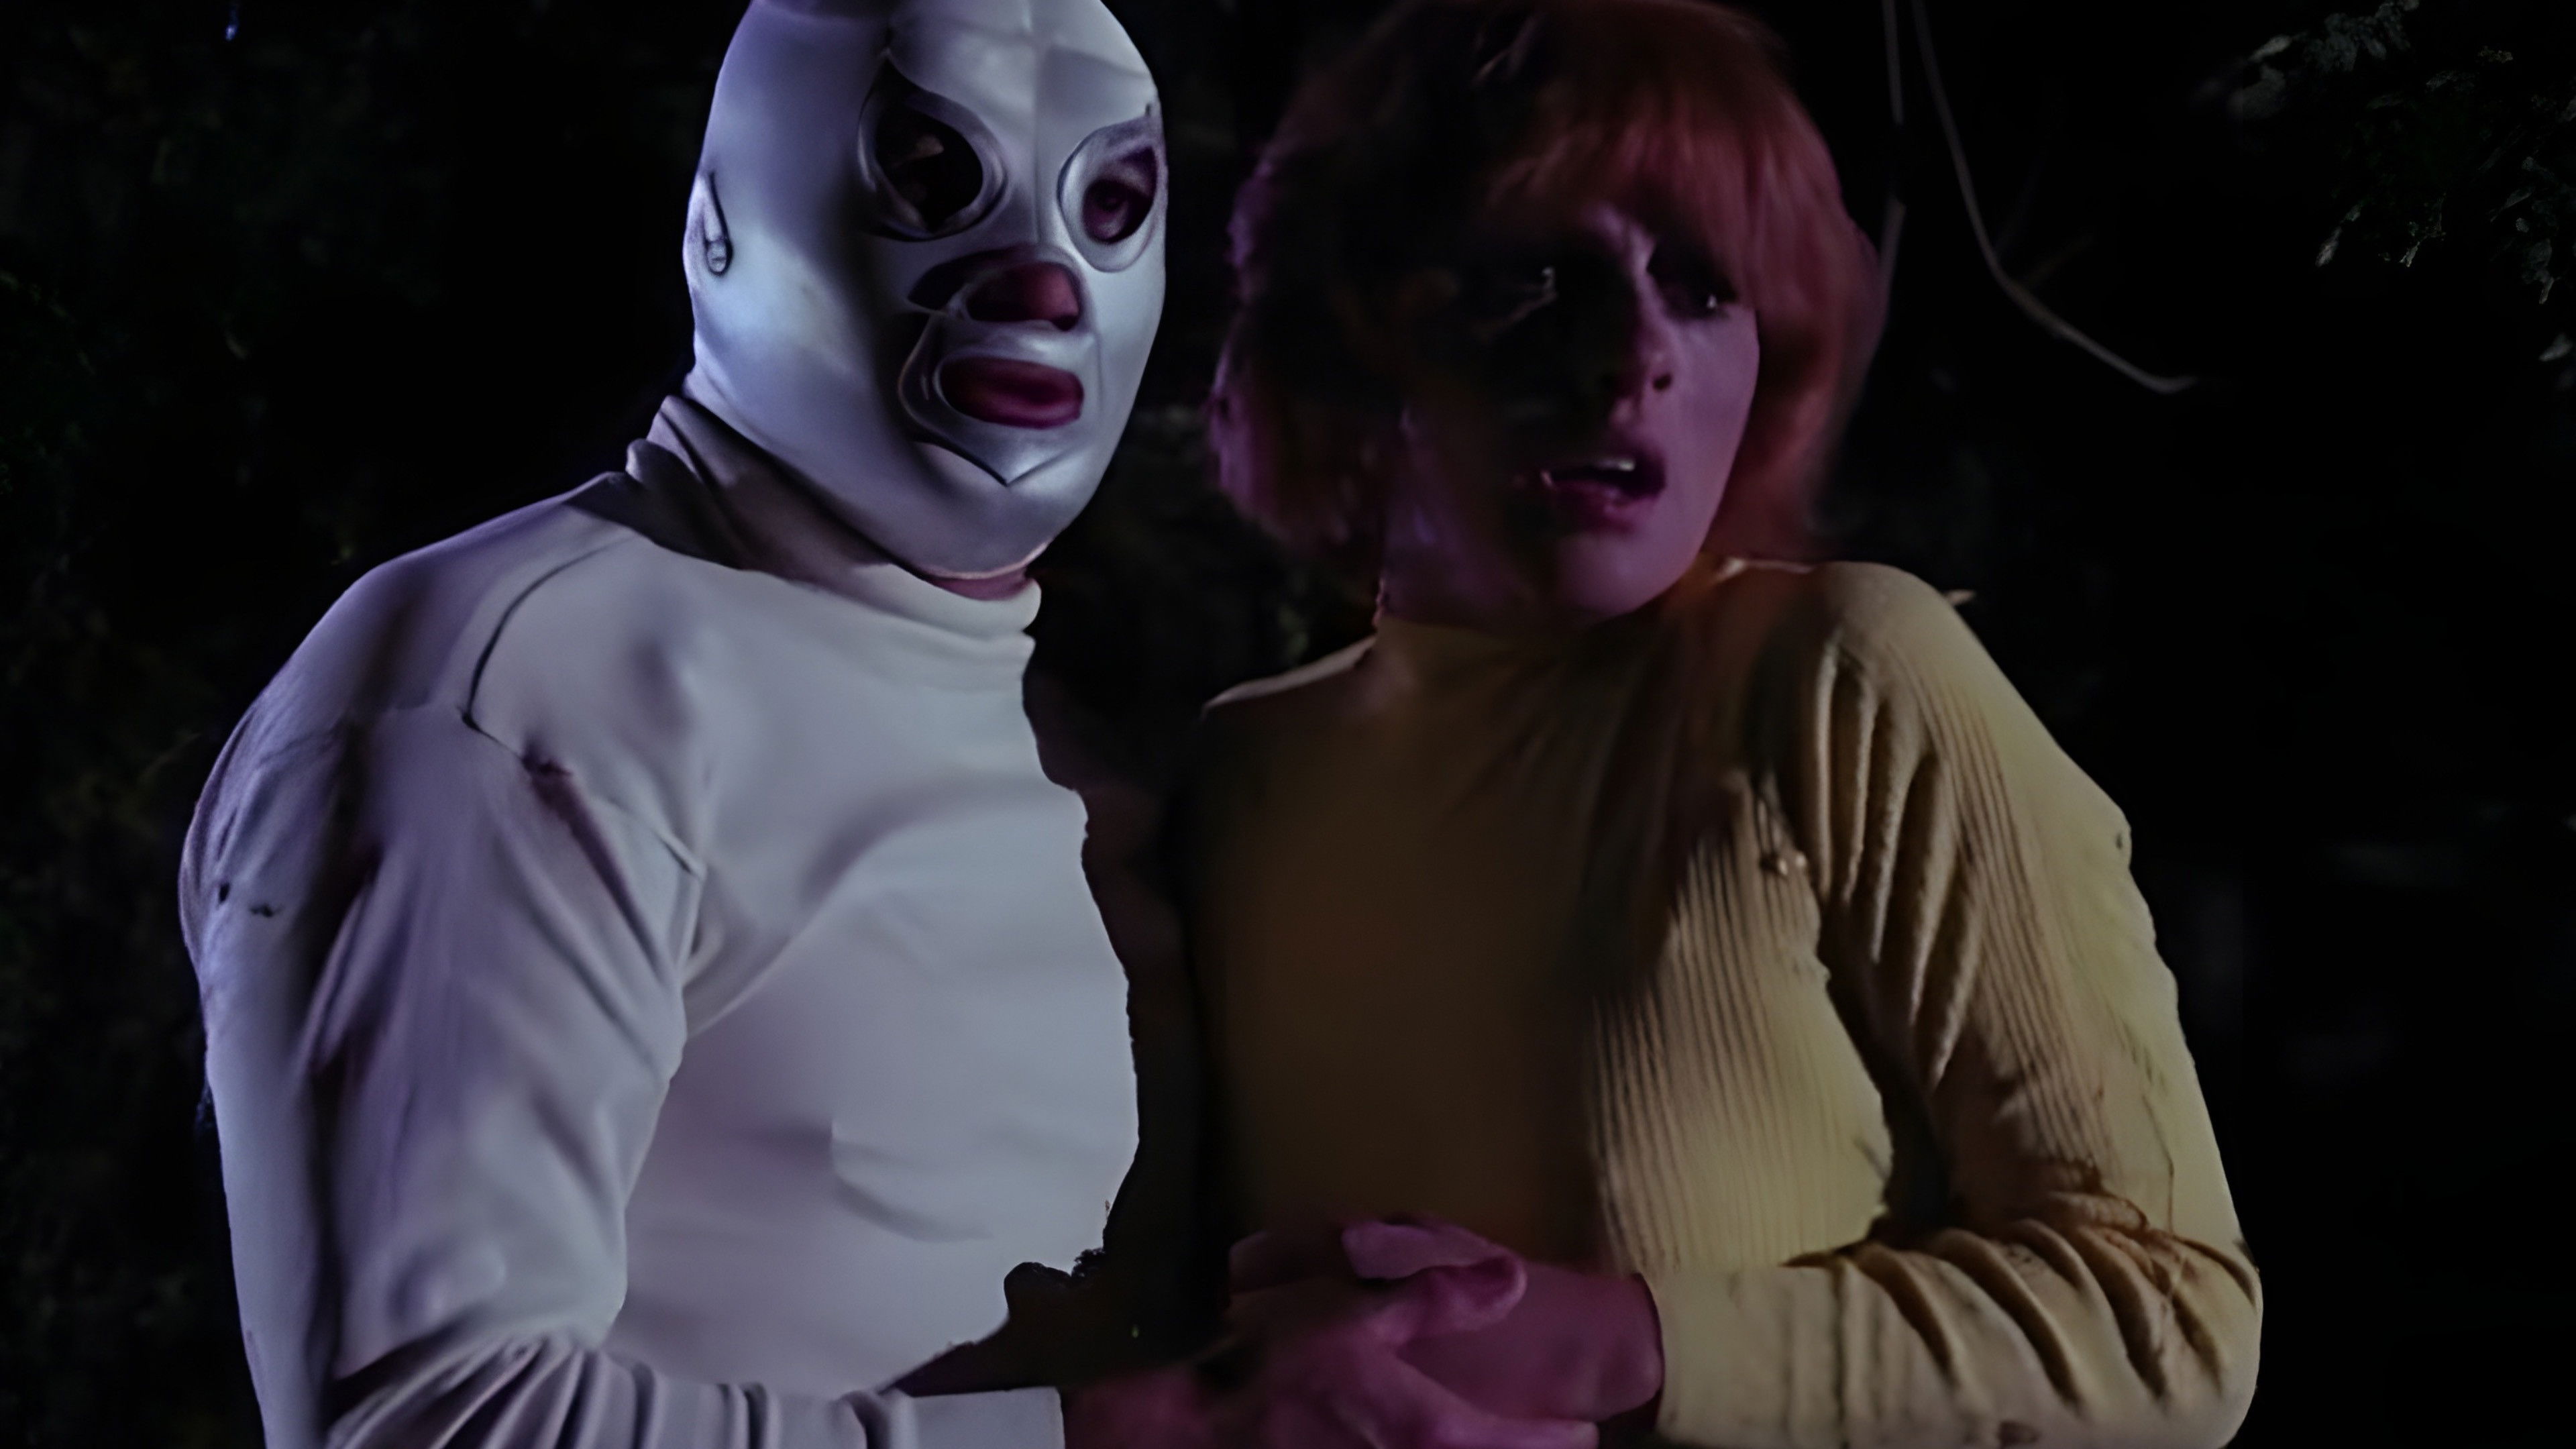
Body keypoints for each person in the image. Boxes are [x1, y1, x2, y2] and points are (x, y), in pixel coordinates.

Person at [1185, 1, 2265, 1445]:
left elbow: (2173, 1326)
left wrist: (1614, 1345)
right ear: (1354, 329)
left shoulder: (1840, 674)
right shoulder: (1241, 778)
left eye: (1703, 288)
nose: (1633, 354)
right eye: (1536, 275)